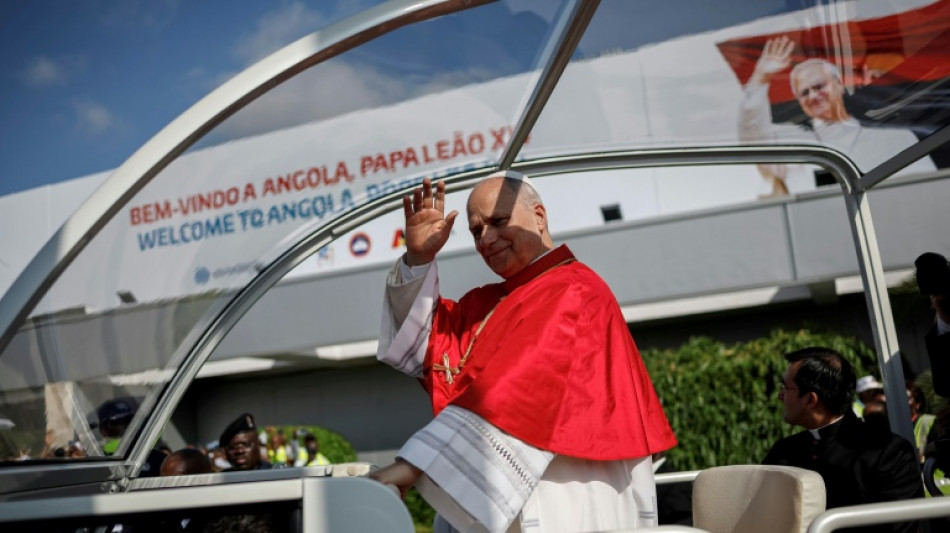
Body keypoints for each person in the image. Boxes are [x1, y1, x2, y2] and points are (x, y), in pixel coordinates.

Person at [370, 172, 677, 532]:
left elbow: (516, 388)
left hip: (566, 490)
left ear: (539, 217)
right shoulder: (484, 303)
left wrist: (413, 466)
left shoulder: (576, 289)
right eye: (476, 231)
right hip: (490, 490)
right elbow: (422, 346)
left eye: (498, 221)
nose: (486, 238)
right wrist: (419, 260)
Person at [739, 37, 935, 196]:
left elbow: (928, 193)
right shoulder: (793, 148)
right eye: (804, 93)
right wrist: (760, 77)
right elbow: (753, 136)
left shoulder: (895, 138)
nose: (813, 96)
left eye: (819, 86)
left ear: (839, 85)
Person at [764, 347, 923, 533]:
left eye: (786, 387)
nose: (780, 396)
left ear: (810, 399)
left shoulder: (888, 453)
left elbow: (899, 526)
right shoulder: (783, 452)